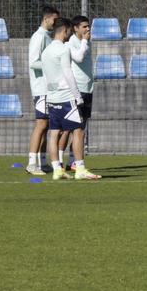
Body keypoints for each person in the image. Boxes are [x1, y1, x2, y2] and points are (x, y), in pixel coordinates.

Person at [37, 17, 90, 182]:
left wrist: (48, 94)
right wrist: (77, 96)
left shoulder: (46, 52)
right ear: (65, 30)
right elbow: (68, 73)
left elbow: (46, 77)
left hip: (52, 97)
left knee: (54, 133)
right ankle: (80, 168)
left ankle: (57, 170)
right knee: (78, 130)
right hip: (67, 97)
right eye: (68, 31)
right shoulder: (63, 50)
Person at [23, 4, 60, 174]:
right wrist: (50, 64)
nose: (56, 22)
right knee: (41, 124)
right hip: (40, 89)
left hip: (49, 89)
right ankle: (31, 163)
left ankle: (43, 162)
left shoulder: (48, 37)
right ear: (46, 19)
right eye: (54, 19)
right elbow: (33, 63)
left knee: (48, 125)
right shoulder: (38, 37)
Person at [64, 14, 100, 180]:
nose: (88, 29)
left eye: (88, 26)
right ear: (75, 28)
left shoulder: (87, 42)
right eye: (84, 27)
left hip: (87, 88)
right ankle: (58, 163)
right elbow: (78, 58)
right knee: (69, 129)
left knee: (81, 127)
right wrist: (85, 41)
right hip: (76, 89)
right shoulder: (71, 43)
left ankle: (73, 162)